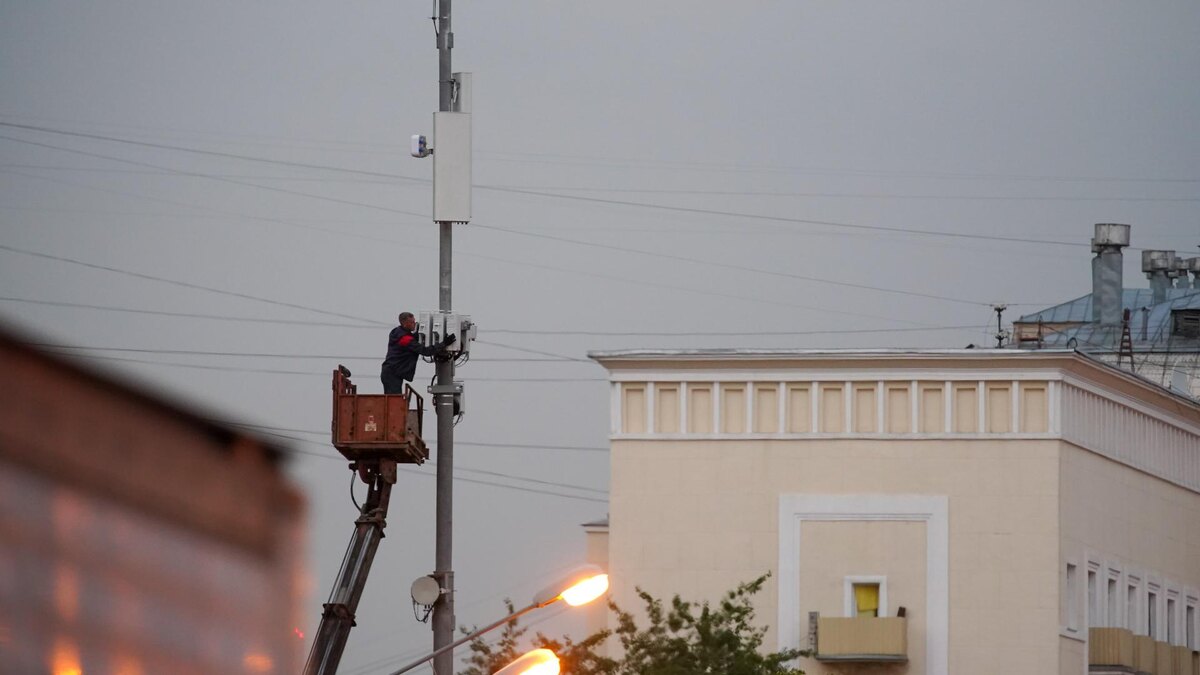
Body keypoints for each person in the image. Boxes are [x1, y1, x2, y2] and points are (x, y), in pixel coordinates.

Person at [381, 312, 455, 394]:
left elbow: (412, 339)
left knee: (395, 401)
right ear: (405, 324)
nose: (414, 324)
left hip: (391, 372)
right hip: (392, 374)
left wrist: (421, 331)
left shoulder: (397, 332)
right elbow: (425, 351)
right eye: (412, 322)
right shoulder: (405, 339)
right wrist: (444, 343)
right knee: (394, 402)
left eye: (414, 321)